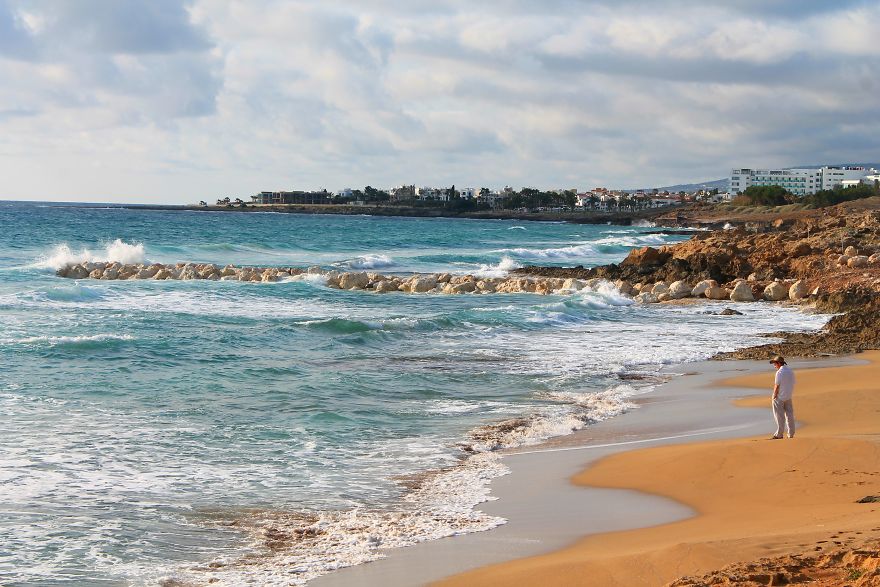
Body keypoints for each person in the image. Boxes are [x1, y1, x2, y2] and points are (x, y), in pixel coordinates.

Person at [769, 355, 795, 439]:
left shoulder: (779, 372)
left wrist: (774, 395)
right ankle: (791, 434)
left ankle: (779, 434)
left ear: (779, 363)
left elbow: (777, 385)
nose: (774, 366)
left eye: (775, 364)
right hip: (788, 395)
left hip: (780, 396)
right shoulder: (790, 371)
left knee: (779, 416)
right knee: (789, 415)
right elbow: (793, 383)